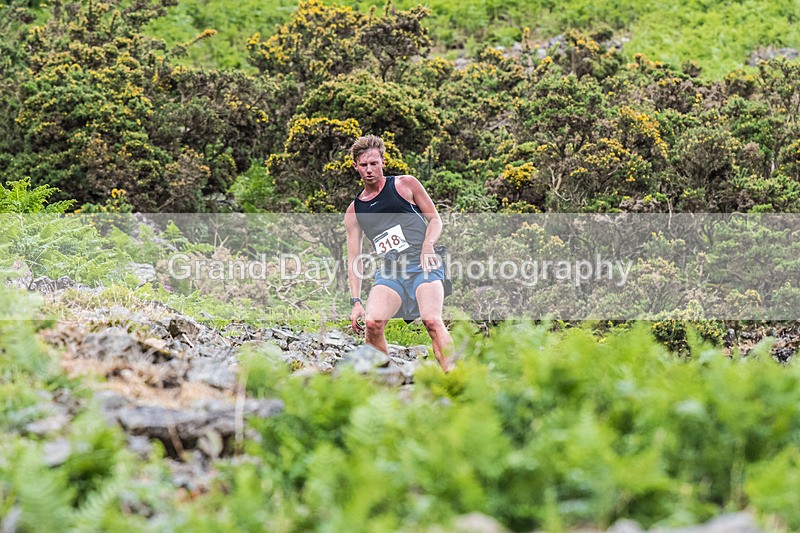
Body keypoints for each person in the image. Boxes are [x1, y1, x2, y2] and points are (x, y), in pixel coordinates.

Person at [343, 135, 456, 371]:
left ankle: (455, 378)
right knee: (372, 322)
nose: (369, 169)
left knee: (432, 321)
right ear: (355, 166)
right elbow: (354, 259)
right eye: (363, 165)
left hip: (422, 263)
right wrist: (356, 301)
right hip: (390, 270)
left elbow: (435, 220)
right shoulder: (354, 211)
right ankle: (384, 380)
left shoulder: (405, 185)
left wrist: (428, 244)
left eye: (374, 163)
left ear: (383, 162)